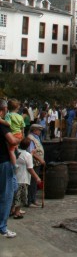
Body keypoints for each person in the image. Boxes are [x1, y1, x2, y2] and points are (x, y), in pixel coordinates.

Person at [0, 98, 21, 238]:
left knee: (11, 188)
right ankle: (2, 227)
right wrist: (20, 139)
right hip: (3, 161)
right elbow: (12, 141)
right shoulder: (3, 126)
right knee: (6, 195)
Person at [12, 137, 41, 218]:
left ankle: (12, 210)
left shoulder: (16, 152)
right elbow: (30, 168)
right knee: (21, 196)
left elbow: (23, 158)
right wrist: (37, 177)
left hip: (15, 176)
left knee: (14, 195)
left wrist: (31, 154)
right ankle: (17, 213)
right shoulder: (27, 155)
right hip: (23, 178)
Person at [27, 124, 45, 207]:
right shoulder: (31, 138)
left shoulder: (36, 137)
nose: (40, 132)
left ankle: (33, 199)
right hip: (33, 163)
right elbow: (32, 151)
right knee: (32, 182)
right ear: (34, 130)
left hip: (37, 163)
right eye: (39, 130)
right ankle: (30, 200)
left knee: (34, 182)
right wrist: (40, 159)